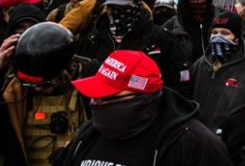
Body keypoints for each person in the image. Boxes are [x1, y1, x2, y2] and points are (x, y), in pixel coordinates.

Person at [56, 50, 231, 165]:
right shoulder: (89, 134)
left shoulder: (192, 144)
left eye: (106, 97)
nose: (95, 103)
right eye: (93, 96)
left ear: (141, 98)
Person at [75, 0, 191, 96]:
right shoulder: (94, 39)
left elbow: (180, 80)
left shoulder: (161, 39)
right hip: (103, 108)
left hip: (148, 108)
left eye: (123, 7)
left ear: (137, 6)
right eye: (112, 7)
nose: (117, 12)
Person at [1, 22, 90, 166]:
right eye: (30, 84)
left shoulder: (88, 90)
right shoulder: (15, 94)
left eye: (45, 84)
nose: (37, 89)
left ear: (65, 71)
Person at [188, 12, 245, 164]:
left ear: (237, 37)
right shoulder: (200, 64)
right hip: (199, 144)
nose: (218, 37)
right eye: (214, 33)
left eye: (225, 33)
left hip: (233, 149)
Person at [163, 0, 216, 66]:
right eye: (194, 0)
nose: (199, 3)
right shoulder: (171, 27)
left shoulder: (221, 20)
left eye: (203, 0)